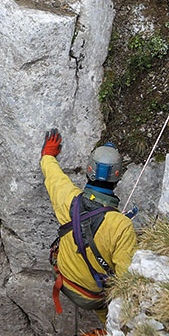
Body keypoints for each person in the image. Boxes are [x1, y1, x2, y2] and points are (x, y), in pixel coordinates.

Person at [40, 129, 137, 315]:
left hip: (64, 281)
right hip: (94, 298)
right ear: (118, 177)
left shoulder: (69, 200)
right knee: (105, 312)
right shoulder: (121, 226)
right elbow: (126, 280)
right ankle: (110, 333)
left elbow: (54, 177)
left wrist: (47, 156)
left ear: (89, 171)